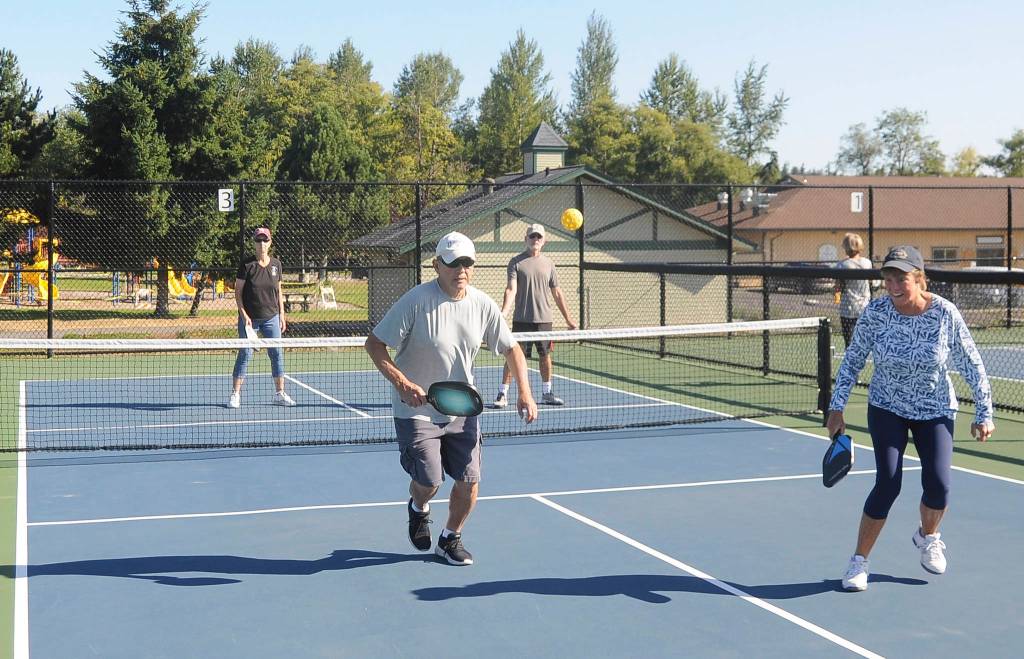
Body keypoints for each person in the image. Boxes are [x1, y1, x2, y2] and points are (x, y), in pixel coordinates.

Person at [826, 245, 994, 592]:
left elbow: (971, 362)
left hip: (934, 409)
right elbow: (853, 359)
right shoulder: (876, 312)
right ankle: (859, 562)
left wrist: (984, 411)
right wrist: (836, 407)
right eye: (888, 279)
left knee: (939, 485)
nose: (893, 286)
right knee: (888, 482)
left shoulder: (944, 313)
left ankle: (928, 536)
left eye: (901, 278)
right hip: (887, 406)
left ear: (918, 278)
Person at [364, 231, 537, 566]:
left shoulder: (483, 305)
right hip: (416, 410)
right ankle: (418, 507)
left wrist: (525, 392)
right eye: (453, 262)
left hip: (462, 407)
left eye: (467, 262)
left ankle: (449, 538)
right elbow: (374, 344)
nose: (461, 269)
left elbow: (513, 349)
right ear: (436, 265)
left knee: (470, 481)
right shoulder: (415, 301)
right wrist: (402, 383)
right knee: (429, 481)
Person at [494, 223, 577, 408]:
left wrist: (568, 319)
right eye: (532, 237)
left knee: (545, 356)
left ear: (544, 241)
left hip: (544, 321)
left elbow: (557, 293)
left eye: (539, 237)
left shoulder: (549, 264)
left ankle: (547, 393)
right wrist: (504, 313)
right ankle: (503, 394)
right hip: (521, 320)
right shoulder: (515, 262)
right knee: (512, 356)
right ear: (526, 239)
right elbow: (511, 289)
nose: (535, 240)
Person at [228, 227, 296, 409]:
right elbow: (238, 292)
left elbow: (279, 291)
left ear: (270, 242)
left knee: (276, 354)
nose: (262, 244)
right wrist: (243, 315)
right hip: (250, 320)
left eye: (265, 240)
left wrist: (282, 315)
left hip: (272, 318)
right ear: (254, 243)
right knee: (245, 354)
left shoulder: (276, 265)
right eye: (258, 241)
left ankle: (280, 394)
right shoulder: (246, 265)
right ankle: (235, 394)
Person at [833, 233, 874, 349]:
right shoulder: (867, 263)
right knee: (863, 338)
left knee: (849, 340)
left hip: (848, 307)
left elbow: (838, 286)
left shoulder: (842, 265)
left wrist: (836, 297)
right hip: (864, 305)